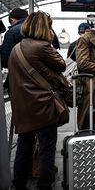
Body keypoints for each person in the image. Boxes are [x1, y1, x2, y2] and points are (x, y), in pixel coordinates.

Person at [8, 11, 69, 190]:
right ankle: (44, 185)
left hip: (22, 106)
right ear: (45, 27)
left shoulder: (16, 48)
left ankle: (18, 184)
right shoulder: (42, 46)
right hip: (42, 104)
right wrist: (50, 38)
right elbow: (61, 64)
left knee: (24, 146)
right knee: (46, 148)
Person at [1, 8, 28, 88]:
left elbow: (5, 60)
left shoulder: (12, 32)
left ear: (12, 20)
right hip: (38, 78)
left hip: (18, 78)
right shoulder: (39, 30)